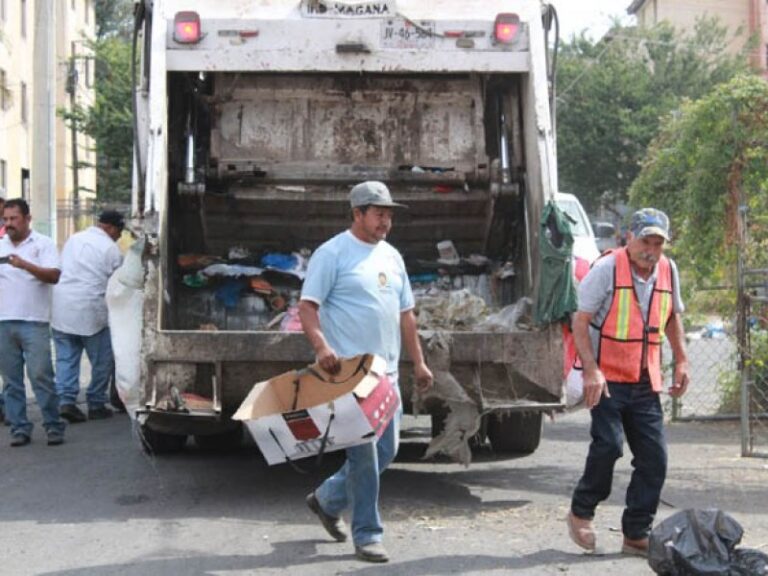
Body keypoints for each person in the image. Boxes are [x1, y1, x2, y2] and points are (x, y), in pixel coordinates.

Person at [299, 181, 433, 563]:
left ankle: (326, 499)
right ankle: (368, 534)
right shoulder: (332, 254)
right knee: (364, 458)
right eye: (379, 213)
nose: (386, 221)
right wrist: (322, 347)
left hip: (386, 375)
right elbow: (308, 307)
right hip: (351, 376)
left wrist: (418, 361)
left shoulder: (392, 256)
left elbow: (406, 315)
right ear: (357, 214)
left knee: (387, 450)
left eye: (389, 214)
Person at [566, 208, 690, 556]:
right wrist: (590, 370)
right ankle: (581, 512)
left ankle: (636, 532)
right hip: (607, 377)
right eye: (645, 240)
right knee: (608, 445)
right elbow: (581, 321)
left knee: (655, 458)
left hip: (645, 379)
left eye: (658, 243)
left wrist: (681, 360)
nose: (651, 249)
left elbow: (672, 318)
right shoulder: (607, 268)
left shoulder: (668, 270)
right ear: (628, 238)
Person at [0, 198, 66, 446]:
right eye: (5, 219)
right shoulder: (0, 245)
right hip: (4, 322)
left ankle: (53, 425)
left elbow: (54, 276)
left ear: (27, 218)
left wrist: (24, 264)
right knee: (11, 381)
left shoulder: (43, 244)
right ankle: (19, 428)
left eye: (13, 218)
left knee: (41, 376)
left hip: (33, 321)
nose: (8, 224)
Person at [52, 210, 125, 422]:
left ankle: (66, 402)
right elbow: (118, 283)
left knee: (66, 358)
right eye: (119, 232)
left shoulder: (74, 239)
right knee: (102, 360)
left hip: (62, 307)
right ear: (111, 228)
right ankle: (95, 403)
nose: (119, 237)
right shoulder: (111, 249)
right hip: (91, 310)